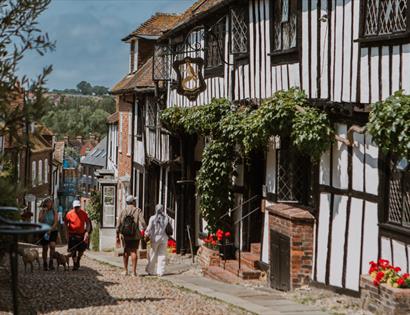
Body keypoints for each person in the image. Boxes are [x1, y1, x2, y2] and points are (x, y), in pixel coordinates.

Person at [116, 195, 146, 276]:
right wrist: (145, 230)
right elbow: (142, 222)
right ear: (133, 202)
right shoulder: (138, 210)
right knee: (134, 251)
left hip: (125, 235)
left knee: (126, 251)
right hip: (135, 234)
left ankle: (125, 270)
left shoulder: (123, 211)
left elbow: (118, 224)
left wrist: (117, 235)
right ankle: (134, 272)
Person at [64, 200, 91, 270]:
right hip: (72, 234)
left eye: (78, 207)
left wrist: (87, 232)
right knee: (73, 250)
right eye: (75, 207)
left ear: (80, 206)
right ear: (73, 207)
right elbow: (65, 224)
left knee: (81, 250)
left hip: (81, 234)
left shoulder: (83, 213)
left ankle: (78, 259)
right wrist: (66, 233)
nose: (77, 208)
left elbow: (88, 223)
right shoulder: (69, 214)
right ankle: (75, 263)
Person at [145, 204, 170, 277]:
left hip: (155, 238)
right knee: (162, 255)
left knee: (152, 255)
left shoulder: (152, 218)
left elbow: (149, 228)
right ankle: (160, 272)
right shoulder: (166, 218)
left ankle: (150, 270)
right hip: (164, 238)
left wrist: (146, 234)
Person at [38, 197, 58, 271]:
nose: (49, 204)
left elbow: (56, 222)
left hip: (52, 231)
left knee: (52, 246)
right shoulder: (42, 211)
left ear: (52, 204)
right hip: (44, 231)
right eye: (47, 202)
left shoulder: (54, 212)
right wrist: (44, 212)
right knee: (45, 248)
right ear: (45, 203)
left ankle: (51, 262)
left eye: (50, 202)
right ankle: (45, 263)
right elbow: (40, 221)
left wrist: (50, 229)